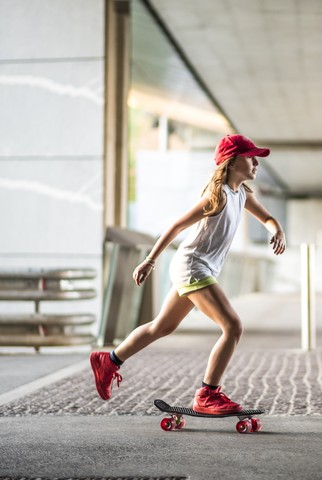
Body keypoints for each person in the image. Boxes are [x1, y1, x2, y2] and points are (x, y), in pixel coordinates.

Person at [89, 134, 286, 414]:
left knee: (162, 327)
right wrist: (149, 261)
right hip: (193, 266)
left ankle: (109, 360)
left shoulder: (241, 194)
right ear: (231, 162)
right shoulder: (214, 197)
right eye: (250, 157)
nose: (256, 162)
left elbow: (267, 218)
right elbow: (177, 226)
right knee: (233, 327)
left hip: (195, 268)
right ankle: (208, 394)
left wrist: (277, 230)